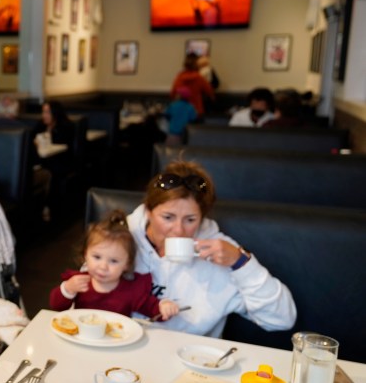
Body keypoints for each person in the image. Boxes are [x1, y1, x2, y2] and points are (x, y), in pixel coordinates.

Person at [126, 160, 296, 337]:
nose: (178, 230)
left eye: (190, 219)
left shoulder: (221, 252)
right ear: (148, 211)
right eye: (168, 217)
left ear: (202, 217)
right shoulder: (120, 238)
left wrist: (241, 263)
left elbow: (282, 319)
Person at [49, 209, 181, 321]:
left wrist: (164, 306)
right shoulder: (79, 282)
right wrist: (68, 289)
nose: (103, 266)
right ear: (85, 255)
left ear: (127, 264)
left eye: (113, 261)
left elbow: (152, 309)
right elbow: (56, 305)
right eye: (97, 257)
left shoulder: (131, 290)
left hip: (116, 344)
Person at [170, 52, 214, 118]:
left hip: (181, 111)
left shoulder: (179, 77)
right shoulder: (199, 77)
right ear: (197, 65)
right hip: (196, 111)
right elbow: (210, 92)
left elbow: (172, 94)